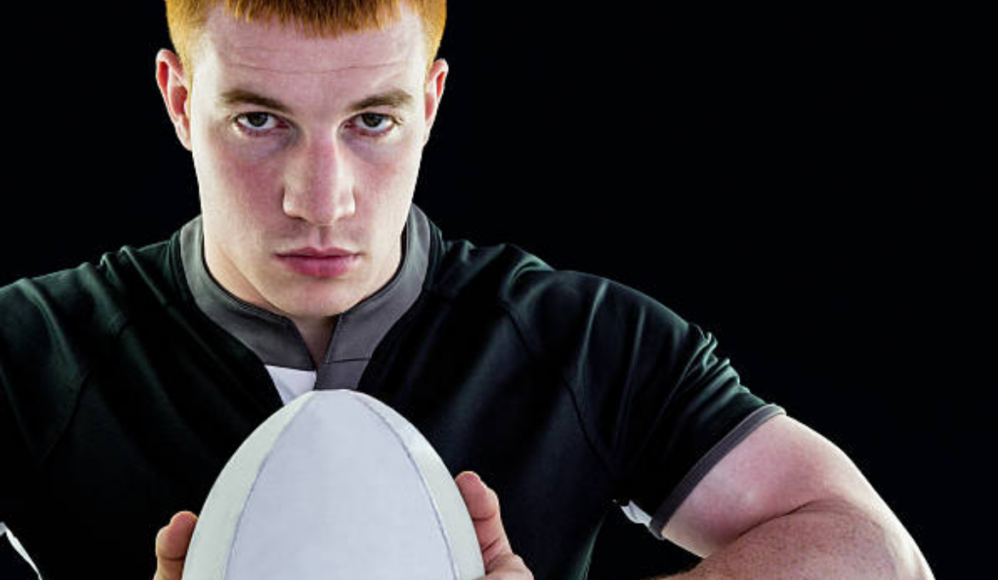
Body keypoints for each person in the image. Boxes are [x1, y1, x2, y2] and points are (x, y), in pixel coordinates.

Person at [0, 1, 934, 579]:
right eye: (258, 120)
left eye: (372, 120)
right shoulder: (26, 352)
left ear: (432, 103)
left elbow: (874, 555)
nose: (320, 200)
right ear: (178, 101)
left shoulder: (581, 340)